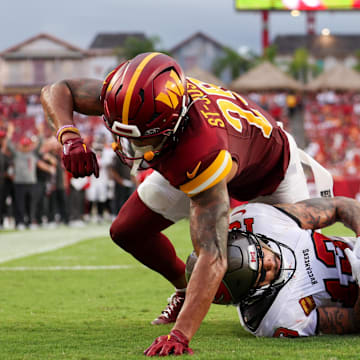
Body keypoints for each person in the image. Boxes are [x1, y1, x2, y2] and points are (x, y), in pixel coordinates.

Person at [40, 52, 332, 356]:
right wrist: (68, 135)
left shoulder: (201, 149)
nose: (130, 147)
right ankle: (182, 287)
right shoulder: (133, 98)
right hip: (194, 152)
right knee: (127, 230)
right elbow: (58, 88)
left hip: (271, 173)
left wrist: (181, 333)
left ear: (170, 124)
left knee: (292, 285)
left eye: (140, 139)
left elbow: (213, 253)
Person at [186, 196, 360, 337]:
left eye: (260, 253)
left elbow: (342, 205)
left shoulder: (260, 221)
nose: (270, 263)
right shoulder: (276, 316)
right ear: (248, 295)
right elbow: (354, 321)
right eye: (261, 275)